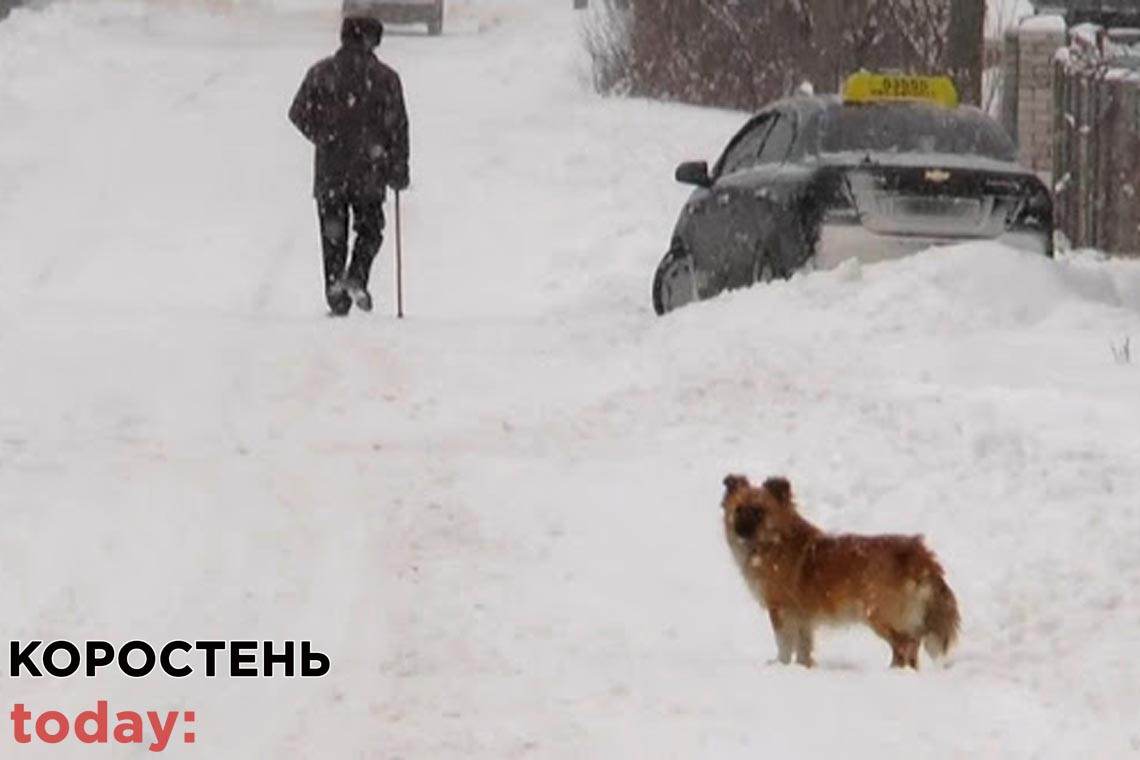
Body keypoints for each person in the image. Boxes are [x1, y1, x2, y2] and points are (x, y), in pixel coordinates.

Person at [289, 15, 410, 316]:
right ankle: (356, 275)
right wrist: (397, 168)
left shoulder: (321, 73)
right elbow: (398, 128)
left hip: (331, 170)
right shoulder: (385, 79)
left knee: (333, 233)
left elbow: (297, 112)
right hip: (370, 170)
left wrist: (324, 135)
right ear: (372, 40)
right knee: (370, 228)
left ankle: (335, 291)